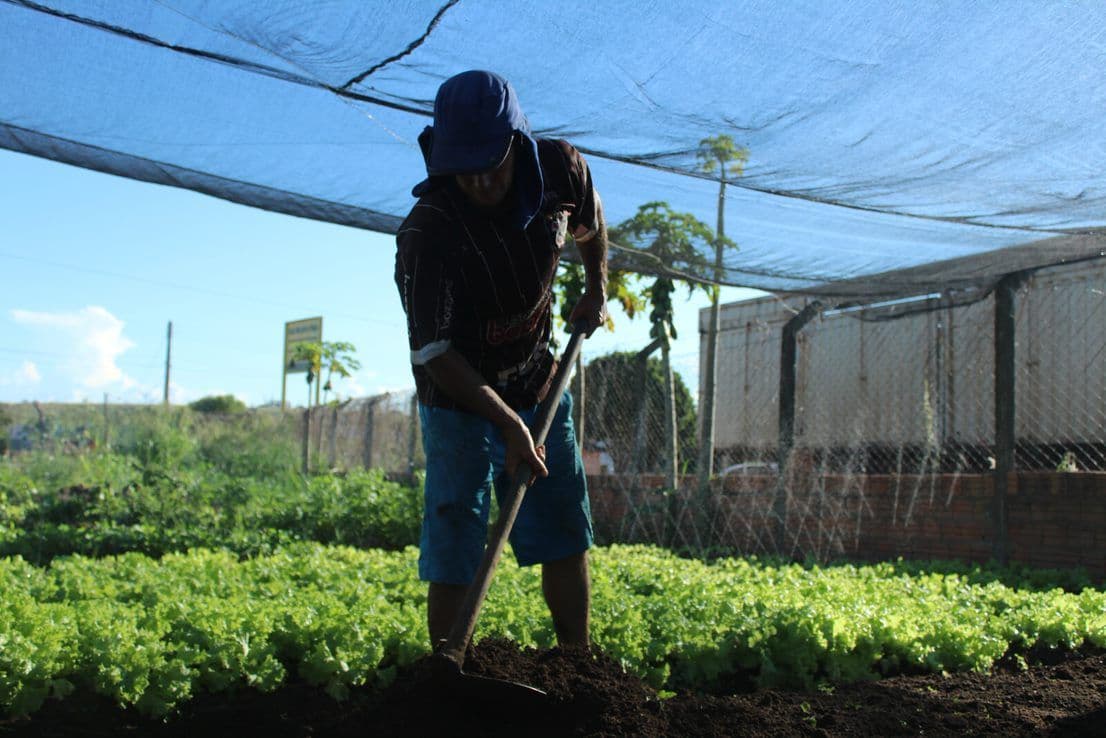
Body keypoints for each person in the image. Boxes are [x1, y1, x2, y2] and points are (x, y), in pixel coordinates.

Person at [394, 70, 608, 650]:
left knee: (562, 522)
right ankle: (449, 671)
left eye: (491, 163)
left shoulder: (560, 170)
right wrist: (508, 424)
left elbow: (590, 222)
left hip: (536, 380)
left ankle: (576, 661)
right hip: (456, 396)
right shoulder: (428, 234)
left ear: (517, 141)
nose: (481, 181)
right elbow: (436, 353)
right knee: (455, 529)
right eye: (465, 168)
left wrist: (595, 287)